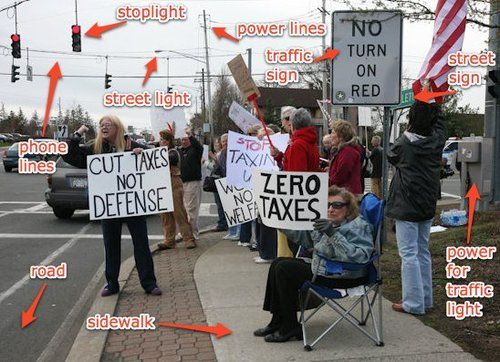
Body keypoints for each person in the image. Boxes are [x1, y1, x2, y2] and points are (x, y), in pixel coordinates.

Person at [254, 186, 373, 342]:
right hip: (323, 268)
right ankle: (278, 321)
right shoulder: (327, 223)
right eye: (327, 205)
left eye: (337, 205)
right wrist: (274, 222)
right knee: (278, 263)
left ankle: (289, 326)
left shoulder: (358, 226)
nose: (331, 209)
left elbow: (360, 257)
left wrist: (333, 234)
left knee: (285, 268)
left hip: (344, 274)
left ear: (349, 208)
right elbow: (305, 239)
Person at [63, 115, 161, 297]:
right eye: (101, 125)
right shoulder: (96, 149)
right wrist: (77, 134)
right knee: (111, 245)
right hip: (109, 206)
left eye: (108, 124)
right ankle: (112, 283)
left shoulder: (131, 144)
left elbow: (158, 160)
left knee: (141, 244)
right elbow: (69, 154)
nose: (104, 127)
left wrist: (142, 155)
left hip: (133, 204)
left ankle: (149, 283)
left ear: (117, 127)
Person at [386, 101, 446, 316]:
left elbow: (390, 154)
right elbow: (441, 126)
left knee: (409, 254)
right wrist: (435, 104)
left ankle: (413, 303)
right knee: (422, 251)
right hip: (427, 203)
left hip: (407, 204)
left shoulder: (404, 143)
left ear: (411, 119)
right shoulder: (437, 141)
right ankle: (425, 299)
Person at [157, 130, 196, 250]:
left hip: (173, 183)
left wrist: (159, 152)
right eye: (160, 140)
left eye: (163, 140)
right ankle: (169, 240)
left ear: (169, 141)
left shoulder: (173, 152)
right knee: (165, 215)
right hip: (162, 184)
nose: (161, 142)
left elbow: (172, 159)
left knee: (179, 213)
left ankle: (189, 238)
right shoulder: (158, 152)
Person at [271, 108, 320, 172]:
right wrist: (279, 156)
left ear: (293, 125)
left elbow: (295, 175)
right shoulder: (310, 141)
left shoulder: (297, 145)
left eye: (290, 124)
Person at [179, 128, 203, 239]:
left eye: (186, 139)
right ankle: (185, 231)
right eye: (182, 140)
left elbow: (199, 147)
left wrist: (190, 135)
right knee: (184, 210)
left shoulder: (195, 150)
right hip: (182, 183)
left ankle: (193, 233)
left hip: (193, 183)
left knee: (191, 210)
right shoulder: (179, 151)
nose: (184, 141)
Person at [328, 120, 363, 196]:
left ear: (341, 136)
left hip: (347, 197)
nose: (330, 135)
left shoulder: (347, 152)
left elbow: (340, 175)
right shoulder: (343, 151)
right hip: (345, 194)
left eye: (333, 133)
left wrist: (326, 181)